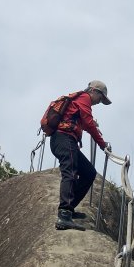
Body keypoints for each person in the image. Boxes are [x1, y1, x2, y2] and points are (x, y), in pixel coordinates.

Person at [51, 80, 112, 231]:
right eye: (101, 98)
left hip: (66, 140)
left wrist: (91, 125)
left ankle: (69, 208)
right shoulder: (84, 98)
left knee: (89, 173)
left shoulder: (79, 100)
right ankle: (64, 214)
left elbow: (80, 121)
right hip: (64, 138)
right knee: (70, 172)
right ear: (93, 91)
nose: (99, 102)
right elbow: (88, 123)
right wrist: (102, 144)